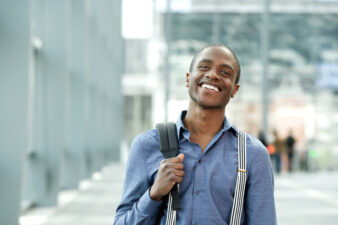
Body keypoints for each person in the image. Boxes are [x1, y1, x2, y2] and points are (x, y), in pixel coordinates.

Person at [113, 44, 277, 225]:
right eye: (204, 67)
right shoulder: (147, 146)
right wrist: (154, 194)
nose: (213, 75)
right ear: (188, 78)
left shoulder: (253, 155)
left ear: (234, 90)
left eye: (224, 73)